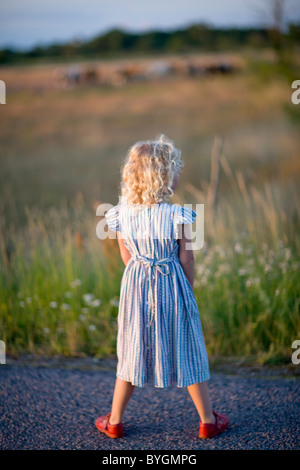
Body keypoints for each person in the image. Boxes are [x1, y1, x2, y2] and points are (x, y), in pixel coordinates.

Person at [96, 134, 229, 439]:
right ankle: (207, 420)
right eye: (174, 170)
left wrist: (139, 279)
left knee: (132, 349)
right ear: (164, 178)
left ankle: (114, 421)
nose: (179, 174)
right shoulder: (177, 215)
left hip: (137, 286)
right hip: (173, 284)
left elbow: (126, 256)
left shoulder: (121, 214)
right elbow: (187, 258)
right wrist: (188, 292)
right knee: (187, 348)